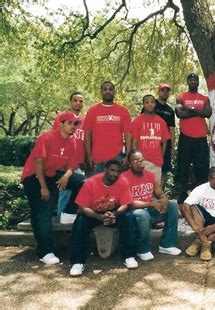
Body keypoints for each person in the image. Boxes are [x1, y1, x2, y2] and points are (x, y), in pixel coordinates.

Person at [21, 112, 86, 265]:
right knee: (43, 211)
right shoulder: (47, 137)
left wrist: (67, 176)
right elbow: (38, 163)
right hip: (34, 177)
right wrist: (43, 187)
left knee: (84, 182)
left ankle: (68, 212)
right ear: (61, 123)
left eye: (75, 124)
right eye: (70, 123)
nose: (73, 126)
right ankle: (44, 252)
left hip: (52, 175)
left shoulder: (73, 141)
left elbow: (72, 165)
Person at [70, 160, 138, 277]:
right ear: (105, 169)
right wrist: (100, 217)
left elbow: (125, 204)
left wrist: (115, 214)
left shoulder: (122, 181)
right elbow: (82, 207)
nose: (115, 174)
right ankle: (78, 262)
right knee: (80, 222)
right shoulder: (91, 182)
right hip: (93, 213)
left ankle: (128, 256)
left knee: (128, 218)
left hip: (113, 212)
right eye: (112, 170)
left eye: (118, 171)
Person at [123, 150, 181, 261]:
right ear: (129, 164)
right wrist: (151, 204)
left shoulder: (150, 176)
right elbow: (129, 203)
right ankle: (143, 249)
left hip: (149, 208)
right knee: (142, 214)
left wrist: (163, 199)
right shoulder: (124, 178)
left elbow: (159, 192)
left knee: (172, 206)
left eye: (141, 160)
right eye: (135, 161)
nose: (139, 163)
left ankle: (167, 244)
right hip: (133, 212)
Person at [175, 73, 212, 204]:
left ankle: (200, 194)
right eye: (190, 79)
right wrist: (198, 111)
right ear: (187, 81)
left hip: (201, 138)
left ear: (198, 82)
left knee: (201, 167)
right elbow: (180, 113)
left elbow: (208, 113)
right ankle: (183, 192)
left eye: (195, 79)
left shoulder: (204, 98)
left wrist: (190, 110)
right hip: (186, 137)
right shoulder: (181, 97)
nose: (193, 81)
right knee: (183, 165)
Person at [83, 81, 132, 175]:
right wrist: (88, 155)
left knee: (116, 188)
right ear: (101, 92)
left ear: (114, 92)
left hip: (116, 157)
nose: (107, 91)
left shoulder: (123, 111)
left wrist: (127, 155)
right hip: (96, 158)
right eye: (105, 89)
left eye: (110, 89)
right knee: (95, 188)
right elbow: (87, 133)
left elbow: (128, 134)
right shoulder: (92, 110)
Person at [52, 92, 86, 223]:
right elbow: (56, 138)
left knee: (79, 193)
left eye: (81, 101)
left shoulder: (85, 120)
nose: (78, 103)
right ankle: (61, 221)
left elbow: (85, 141)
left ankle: (70, 219)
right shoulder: (61, 117)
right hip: (65, 163)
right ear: (70, 102)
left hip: (78, 164)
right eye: (75, 100)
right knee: (65, 192)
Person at [131, 94, 171, 184]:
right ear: (143, 104)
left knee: (156, 191)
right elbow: (134, 142)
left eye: (152, 102)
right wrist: (135, 160)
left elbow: (165, 142)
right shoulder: (137, 121)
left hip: (156, 162)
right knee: (142, 189)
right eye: (147, 102)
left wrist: (161, 156)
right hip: (142, 161)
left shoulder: (161, 122)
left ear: (155, 104)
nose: (150, 104)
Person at [154, 83, 176, 189]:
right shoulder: (151, 105)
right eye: (163, 90)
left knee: (163, 169)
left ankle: (160, 195)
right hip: (151, 141)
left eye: (167, 91)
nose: (165, 92)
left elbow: (172, 129)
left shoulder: (170, 111)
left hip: (165, 144)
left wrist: (172, 146)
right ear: (159, 92)